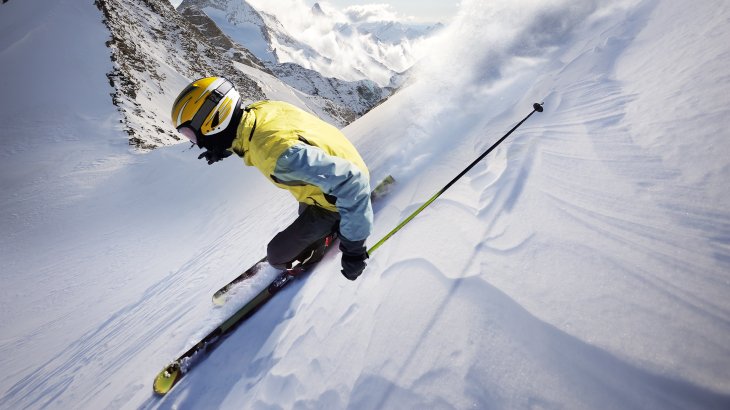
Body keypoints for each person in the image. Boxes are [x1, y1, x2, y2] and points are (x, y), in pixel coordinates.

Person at [171, 76, 372, 280]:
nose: (197, 143)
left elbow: (352, 182)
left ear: (212, 122)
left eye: (191, 134)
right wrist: (224, 148)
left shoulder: (276, 155)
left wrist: (354, 251)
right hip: (342, 162)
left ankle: (332, 235)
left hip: (342, 192)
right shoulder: (261, 110)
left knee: (277, 256)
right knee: (304, 211)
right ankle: (335, 224)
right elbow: (254, 134)